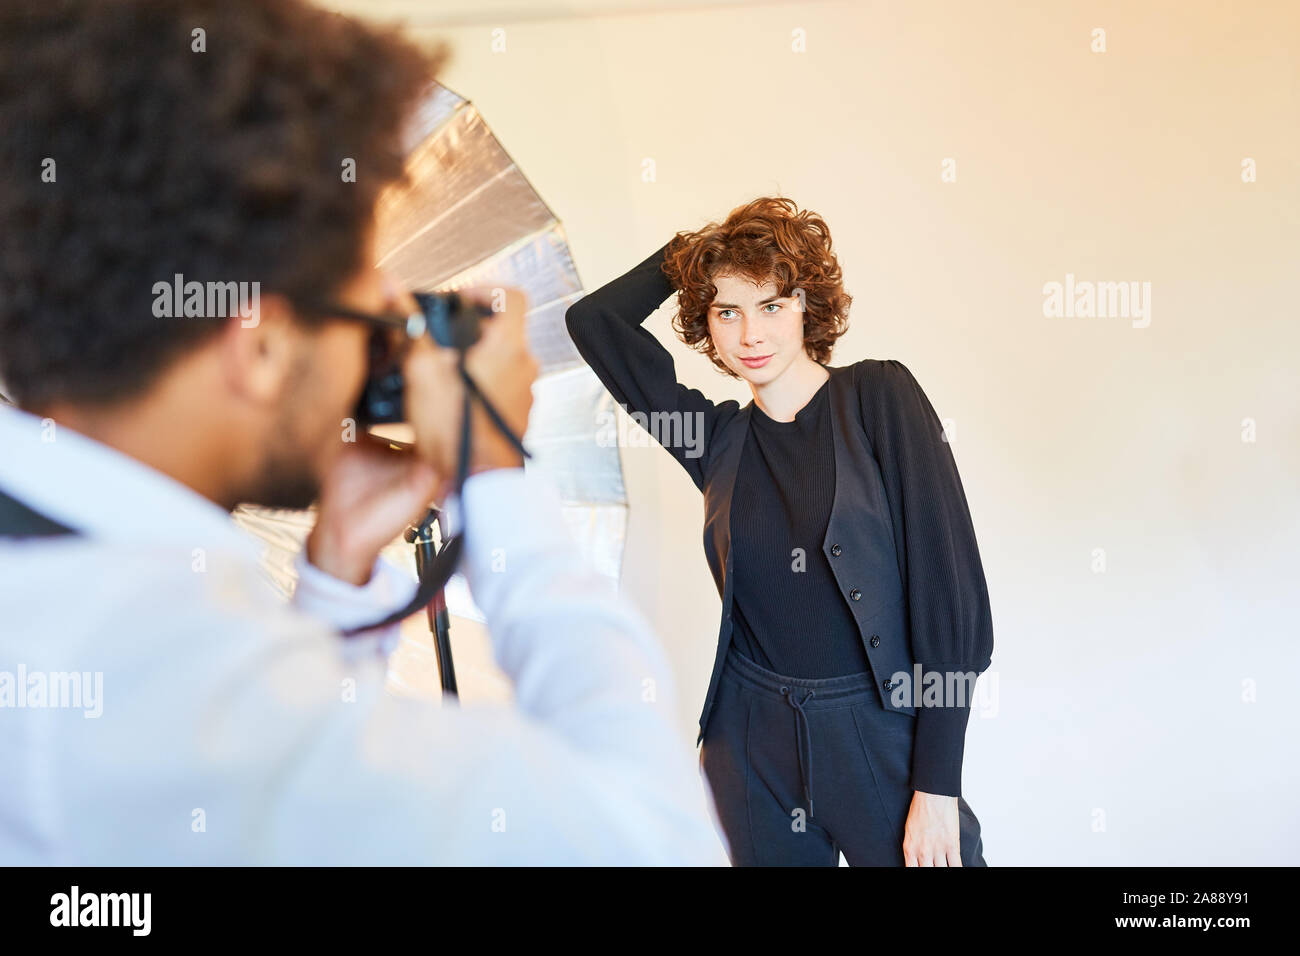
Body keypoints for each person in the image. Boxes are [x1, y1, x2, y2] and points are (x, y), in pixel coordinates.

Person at [0, 0, 721, 865]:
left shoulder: (85, 605)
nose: (381, 336)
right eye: (360, 303)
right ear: (260, 346)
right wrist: (494, 470)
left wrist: (338, 580)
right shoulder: (160, 678)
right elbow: (654, 841)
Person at [565, 197, 994, 866]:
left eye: (771, 305)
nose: (750, 334)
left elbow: (953, 598)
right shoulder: (715, 441)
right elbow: (592, 322)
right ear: (707, 325)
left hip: (877, 733)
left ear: (806, 307)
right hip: (750, 740)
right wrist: (690, 252)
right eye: (726, 311)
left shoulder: (880, 399)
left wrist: (937, 785)